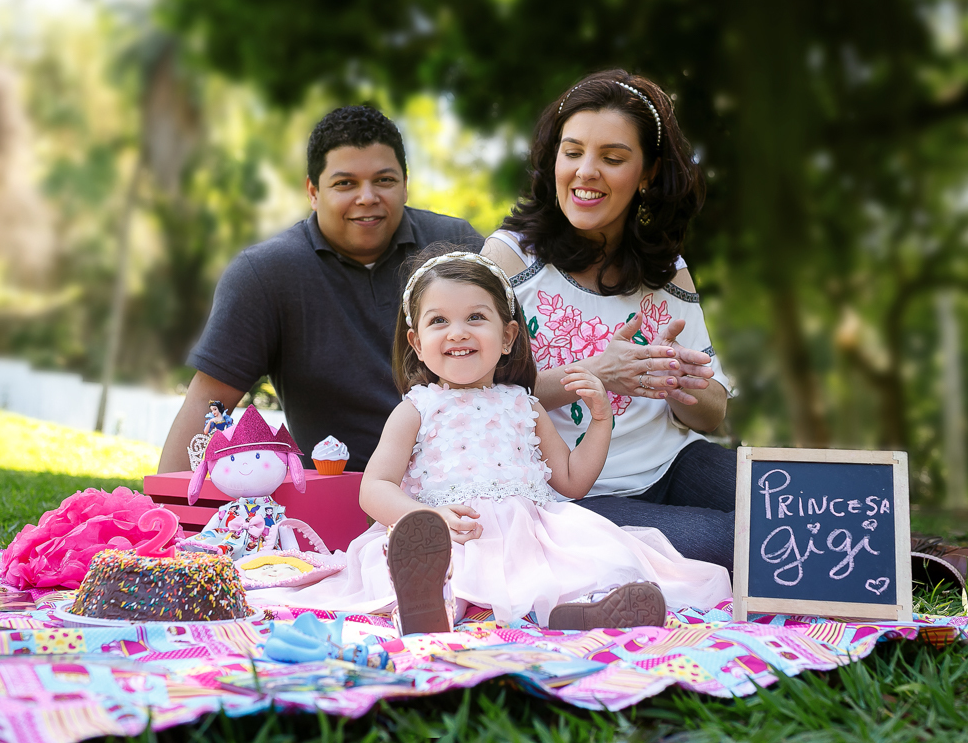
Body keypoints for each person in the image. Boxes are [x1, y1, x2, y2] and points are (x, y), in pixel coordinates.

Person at [249, 249, 732, 631]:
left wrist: (601, 419)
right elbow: (373, 488)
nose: (457, 332)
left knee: (592, 565)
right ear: (417, 343)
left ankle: (578, 614)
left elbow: (572, 481)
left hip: (531, 535)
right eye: (439, 321)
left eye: (476, 318)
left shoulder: (525, 404)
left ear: (507, 337)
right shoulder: (415, 409)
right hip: (449, 532)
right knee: (441, 567)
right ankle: (429, 606)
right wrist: (424, 517)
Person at [481, 69, 737, 573]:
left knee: (783, 506)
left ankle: (915, 558)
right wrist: (596, 373)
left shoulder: (669, 270)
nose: (585, 171)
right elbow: (475, 395)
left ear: (647, 173)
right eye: (572, 152)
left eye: (612, 158)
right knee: (731, 543)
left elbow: (712, 414)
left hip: (674, 463)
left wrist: (680, 381)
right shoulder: (510, 260)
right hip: (572, 491)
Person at [158, 106, 483, 474]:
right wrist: (165, 514)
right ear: (313, 191)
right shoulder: (266, 274)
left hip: (474, 479)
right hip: (341, 494)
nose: (367, 197)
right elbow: (209, 400)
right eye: (345, 183)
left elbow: (518, 363)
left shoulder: (457, 245)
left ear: (405, 184)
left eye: (384, 180)